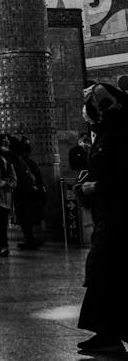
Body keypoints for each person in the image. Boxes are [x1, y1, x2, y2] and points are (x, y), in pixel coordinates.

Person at [74, 83, 128, 355]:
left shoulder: (118, 133)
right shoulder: (107, 133)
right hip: (108, 214)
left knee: (104, 269)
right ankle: (108, 332)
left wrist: (97, 186)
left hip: (119, 216)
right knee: (107, 272)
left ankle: (109, 334)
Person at [8, 136, 47, 250]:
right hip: (29, 191)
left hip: (24, 192)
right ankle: (31, 239)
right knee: (27, 218)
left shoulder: (19, 160)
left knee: (25, 218)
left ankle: (30, 240)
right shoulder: (25, 160)